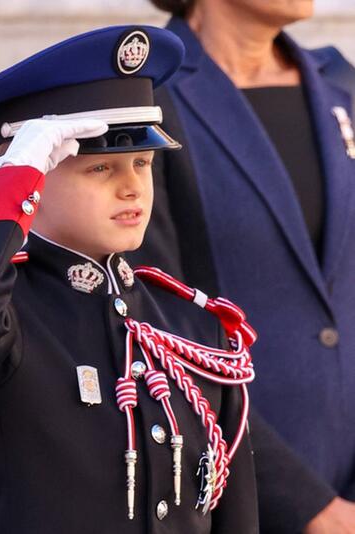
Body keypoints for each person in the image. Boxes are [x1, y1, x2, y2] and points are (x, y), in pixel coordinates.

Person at [0, 26, 258, 532]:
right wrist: (14, 177)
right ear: (38, 172)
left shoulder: (193, 324)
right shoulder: (7, 312)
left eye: (141, 163)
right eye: (99, 168)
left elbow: (234, 512)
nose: (131, 188)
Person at [133, 1, 355, 532]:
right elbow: (155, 330)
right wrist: (309, 508)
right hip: (238, 499)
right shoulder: (147, 97)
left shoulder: (340, 83)